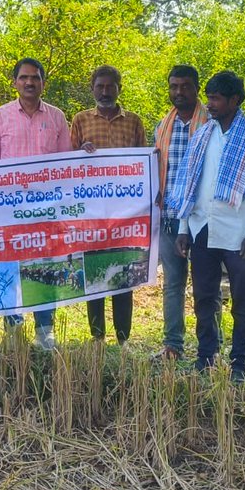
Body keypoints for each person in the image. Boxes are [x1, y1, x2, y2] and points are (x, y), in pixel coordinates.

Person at [168, 70, 245, 380]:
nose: (210, 104)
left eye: (216, 98)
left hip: (239, 231)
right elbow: (190, 184)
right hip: (202, 228)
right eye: (209, 97)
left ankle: (239, 362)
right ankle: (206, 355)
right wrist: (184, 229)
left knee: (241, 301)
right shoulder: (203, 134)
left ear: (235, 100)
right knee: (204, 297)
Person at [0, 57, 72, 349]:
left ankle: (44, 330)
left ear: (43, 82)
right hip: (9, 210)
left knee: (45, 268)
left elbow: (65, 166)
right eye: (23, 78)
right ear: (15, 82)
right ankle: (13, 328)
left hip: (46, 211)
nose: (29, 82)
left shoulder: (57, 117)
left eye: (35, 78)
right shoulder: (0, 116)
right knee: (9, 269)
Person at [70, 65, 148, 344]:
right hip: (92, 213)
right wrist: (81, 153)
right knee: (95, 275)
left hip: (125, 214)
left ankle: (124, 339)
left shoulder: (134, 121)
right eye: (100, 86)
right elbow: (69, 166)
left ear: (119, 89)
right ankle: (97, 336)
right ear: (92, 89)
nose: (105, 92)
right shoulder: (80, 120)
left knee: (123, 276)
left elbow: (143, 165)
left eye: (110, 86)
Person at [153, 65, 208, 361]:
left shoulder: (210, 124)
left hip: (201, 220)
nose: (179, 92)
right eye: (174, 86)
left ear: (196, 88)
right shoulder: (164, 125)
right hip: (169, 217)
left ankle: (208, 349)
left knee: (205, 287)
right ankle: (173, 345)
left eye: (185, 86)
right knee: (173, 284)